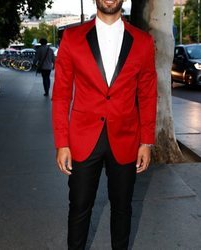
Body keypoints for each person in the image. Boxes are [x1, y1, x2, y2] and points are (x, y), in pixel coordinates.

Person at [52, 0, 157, 249]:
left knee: (122, 208)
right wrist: (62, 143)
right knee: (79, 207)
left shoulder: (143, 41)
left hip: (126, 137)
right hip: (82, 138)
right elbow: (61, 94)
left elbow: (148, 94)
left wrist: (147, 141)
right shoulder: (72, 37)